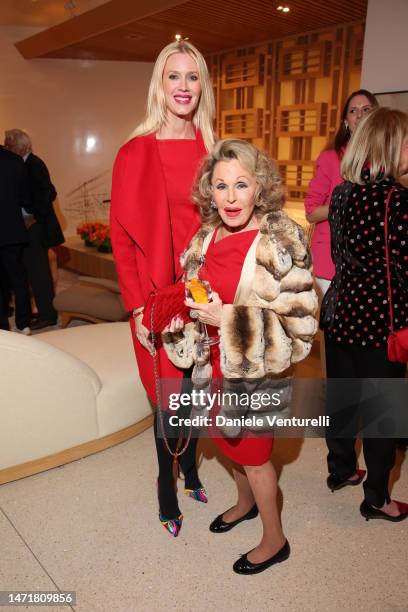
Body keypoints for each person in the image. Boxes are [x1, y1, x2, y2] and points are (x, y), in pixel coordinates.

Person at [162, 139, 318, 573]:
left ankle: (275, 539)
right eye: (221, 185)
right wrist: (183, 326)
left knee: (256, 456)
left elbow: (300, 331)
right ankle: (244, 504)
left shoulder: (279, 243)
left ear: (259, 187)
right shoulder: (203, 240)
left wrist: (227, 318)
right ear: (208, 191)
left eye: (242, 184)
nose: (231, 197)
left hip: (257, 377)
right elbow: (195, 305)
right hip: (212, 370)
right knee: (228, 445)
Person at [110, 40, 215, 537]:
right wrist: (136, 309)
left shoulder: (213, 151)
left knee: (198, 394)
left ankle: (192, 467)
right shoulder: (134, 151)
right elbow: (123, 238)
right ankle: (166, 484)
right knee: (168, 398)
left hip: (203, 297)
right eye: (174, 76)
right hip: (154, 298)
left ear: (202, 87)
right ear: (159, 84)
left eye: (192, 78)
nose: (183, 87)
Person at [320, 107, 408, 521]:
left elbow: (342, 255)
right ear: (391, 145)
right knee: (382, 415)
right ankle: (377, 498)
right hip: (380, 322)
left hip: (339, 311)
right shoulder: (399, 201)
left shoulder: (341, 194)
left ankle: (339, 471)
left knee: (342, 399)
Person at [304, 89, 378, 300]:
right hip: (331, 259)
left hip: (370, 258)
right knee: (336, 327)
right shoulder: (330, 158)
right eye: (353, 110)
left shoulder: (384, 160)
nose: (360, 114)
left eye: (366, 109)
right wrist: (345, 204)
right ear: (346, 121)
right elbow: (311, 212)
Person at [5, 129, 64, 330]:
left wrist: (33, 214)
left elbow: (49, 192)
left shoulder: (34, 164)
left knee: (39, 273)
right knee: (33, 271)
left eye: (9, 145)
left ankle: (48, 315)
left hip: (36, 227)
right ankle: (44, 311)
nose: (6, 148)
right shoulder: (25, 164)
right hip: (30, 227)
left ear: (20, 147)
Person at [0, 144, 32, 333]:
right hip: (13, 231)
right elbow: (26, 197)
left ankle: (2, 327)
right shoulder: (14, 160)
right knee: (18, 279)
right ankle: (24, 323)